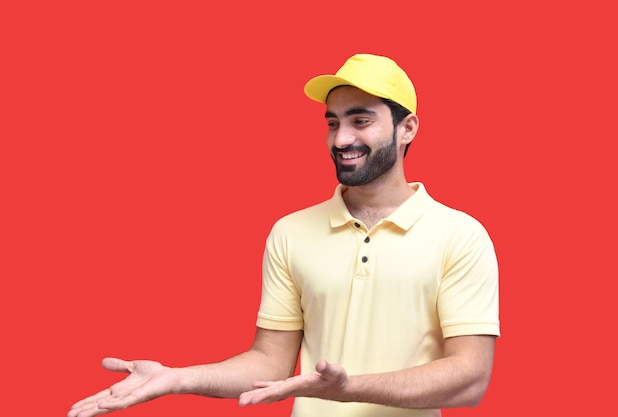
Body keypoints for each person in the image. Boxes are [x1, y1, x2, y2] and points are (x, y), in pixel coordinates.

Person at [67, 53, 500, 417]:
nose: (342, 138)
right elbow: (271, 361)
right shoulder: (290, 232)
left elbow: (469, 379)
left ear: (407, 129)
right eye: (332, 123)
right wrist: (178, 377)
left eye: (361, 120)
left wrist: (348, 388)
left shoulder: (460, 236)